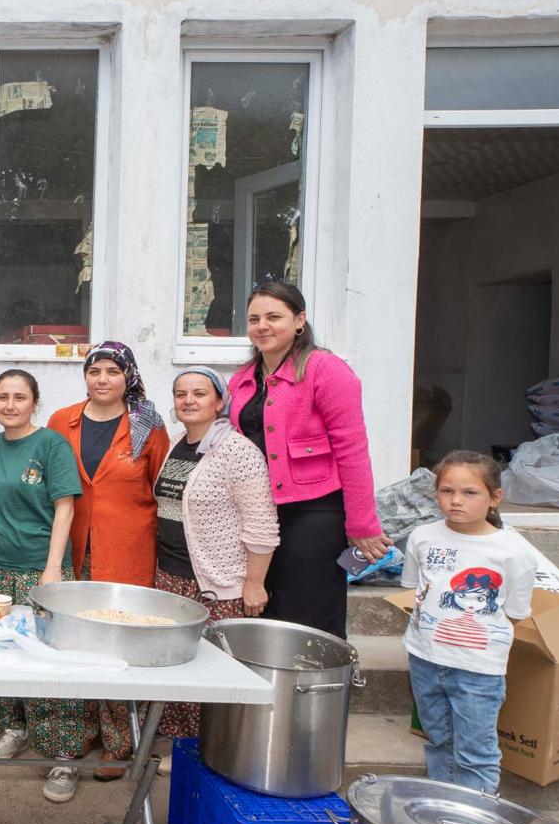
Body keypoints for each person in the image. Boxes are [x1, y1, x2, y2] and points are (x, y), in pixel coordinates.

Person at [228, 281, 388, 639]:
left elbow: (352, 449)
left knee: (307, 614)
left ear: (299, 320)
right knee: (265, 611)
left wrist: (362, 523)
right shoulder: (242, 378)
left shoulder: (325, 369)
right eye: (254, 319)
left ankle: (316, 692)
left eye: (274, 317)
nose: (262, 326)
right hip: (259, 513)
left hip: (313, 512)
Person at [44, 341, 170, 780]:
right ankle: (77, 734)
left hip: (127, 547)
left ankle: (119, 742)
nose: (102, 379)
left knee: (119, 644)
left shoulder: (147, 426)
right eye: (94, 370)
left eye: (112, 371)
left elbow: (161, 487)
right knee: (76, 641)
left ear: (128, 377)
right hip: (76, 544)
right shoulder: (63, 421)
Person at [0, 370, 85, 803]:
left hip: (39, 570)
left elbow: (65, 507)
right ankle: (16, 729)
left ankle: (65, 756)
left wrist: (53, 568)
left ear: (35, 403)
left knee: (51, 664)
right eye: (2, 397)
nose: (10, 405)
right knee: (4, 659)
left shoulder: (51, 444)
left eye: (19, 397)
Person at [149, 367, 279, 738]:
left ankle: (210, 752)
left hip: (218, 583)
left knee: (210, 676)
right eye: (181, 394)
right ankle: (179, 746)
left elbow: (262, 524)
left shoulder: (238, 451)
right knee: (177, 670)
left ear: (220, 401)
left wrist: (254, 583)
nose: (188, 400)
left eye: (200, 393)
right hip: (171, 577)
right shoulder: (176, 444)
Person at [401, 451, 536, 792]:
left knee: (475, 753)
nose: (456, 501)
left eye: (470, 492)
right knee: (438, 741)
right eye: (447, 491)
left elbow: (516, 613)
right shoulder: (422, 537)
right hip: (425, 659)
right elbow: (414, 591)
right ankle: (443, 811)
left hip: (477, 670)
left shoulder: (513, 551)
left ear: (495, 497)